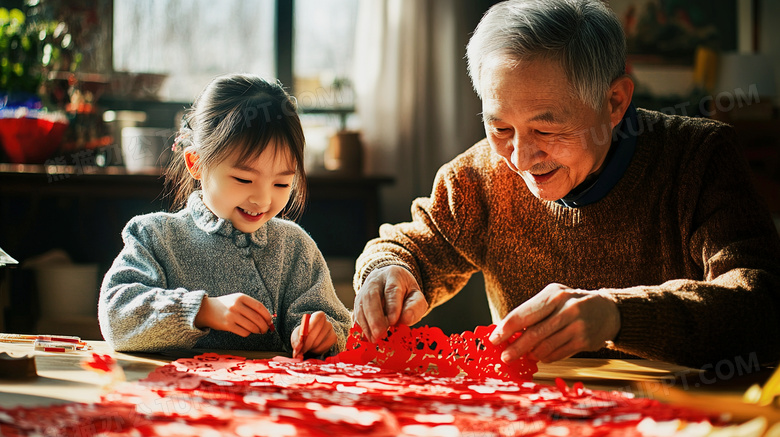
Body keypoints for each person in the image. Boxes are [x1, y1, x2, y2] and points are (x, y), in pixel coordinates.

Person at [352, 0, 780, 369]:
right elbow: (408, 248)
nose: (520, 158)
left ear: (614, 102)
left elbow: (763, 305)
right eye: (499, 127)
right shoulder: (478, 176)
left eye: (546, 129)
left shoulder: (697, 158)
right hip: (534, 416)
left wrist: (618, 316)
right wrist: (389, 271)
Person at [99, 74, 352, 357]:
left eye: (281, 183)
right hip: (177, 395)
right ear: (196, 163)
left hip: (267, 399)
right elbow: (116, 315)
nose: (263, 199)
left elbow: (338, 324)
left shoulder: (294, 247)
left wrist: (323, 334)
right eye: (244, 179)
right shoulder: (155, 236)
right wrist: (203, 310)